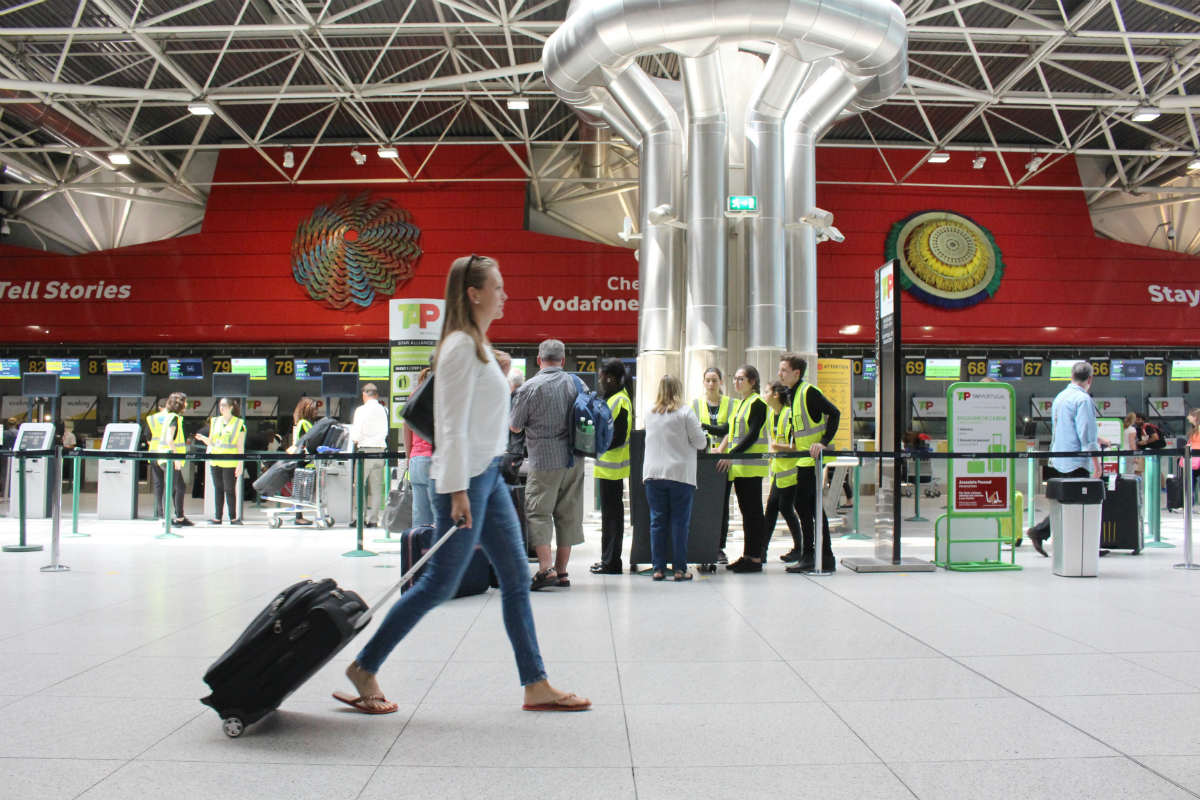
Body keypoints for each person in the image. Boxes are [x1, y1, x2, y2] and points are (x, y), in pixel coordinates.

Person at [337, 253, 589, 715]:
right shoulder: (457, 347)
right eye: (497, 286)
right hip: (465, 482)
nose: (504, 293)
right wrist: (455, 492)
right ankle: (364, 665)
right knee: (438, 584)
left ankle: (535, 683)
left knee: (515, 577)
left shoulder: (475, 347)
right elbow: (448, 426)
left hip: (487, 476)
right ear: (473, 294)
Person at [510, 339, 583, 591]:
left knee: (538, 512)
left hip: (543, 460)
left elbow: (515, 426)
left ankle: (545, 568)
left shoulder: (529, 388)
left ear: (539, 360)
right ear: (563, 360)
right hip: (575, 459)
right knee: (568, 514)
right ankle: (562, 572)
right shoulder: (577, 383)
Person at [1026, 361, 1108, 556]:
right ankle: (1045, 533)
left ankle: (1044, 532)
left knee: (1067, 501)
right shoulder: (1083, 399)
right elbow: (1085, 435)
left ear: (1071, 376)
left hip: (1060, 457)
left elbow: (1067, 428)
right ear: (1090, 379)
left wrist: (1098, 438)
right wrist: (1097, 465)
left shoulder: (1061, 397)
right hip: (1077, 460)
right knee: (1081, 504)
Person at [777, 353, 842, 573]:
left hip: (812, 461)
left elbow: (835, 413)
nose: (780, 374)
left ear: (797, 373)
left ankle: (815, 555)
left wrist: (823, 442)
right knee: (808, 508)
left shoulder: (808, 392)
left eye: (784, 370)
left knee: (807, 508)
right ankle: (819, 555)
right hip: (804, 460)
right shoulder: (793, 394)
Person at [643, 374, 708, 581]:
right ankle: (680, 569)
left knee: (657, 522)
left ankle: (658, 569)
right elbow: (701, 443)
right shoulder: (685, 413)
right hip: (680, 475)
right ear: (679, 390)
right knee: (679, 523)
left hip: (653, 475)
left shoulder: (649, 414)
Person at [716, 365, 769, 573]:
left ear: (752, 382)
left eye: (741, 379)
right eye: (735, 378)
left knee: (754, 514)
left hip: (751, 469)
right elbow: (729, 430)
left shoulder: (757, 403)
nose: (736, 382)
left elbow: (753, 435)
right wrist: (704, 426)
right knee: (747, 513)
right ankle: (748, 555)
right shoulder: (741, 404)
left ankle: (755, 558)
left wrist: (732, 454)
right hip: (740, 469)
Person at [591, 359, 633, 575]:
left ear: (610, 378)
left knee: (612, 518)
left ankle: (612, 562)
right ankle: (607, 559)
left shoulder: (619, 401)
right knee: (609, 518)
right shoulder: (614, 398)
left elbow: (617, 436)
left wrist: (595, 444)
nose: (600, 382)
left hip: (612, 468)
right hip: (608, 468)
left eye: (601, 377)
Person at [693, 367, 737, 562]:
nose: (711, 384)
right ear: (703, 382)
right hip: (702, 462)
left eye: (714, 380)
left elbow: (732, 429)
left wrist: (722, 449)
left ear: (721, 382)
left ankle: (719, 547)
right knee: (702, 505)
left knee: (721, 506)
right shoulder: (695, 404)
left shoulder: (731, 404)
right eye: (708, 380)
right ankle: (702, 544)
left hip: (722, 461)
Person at [761, 381, 804, 562]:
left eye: (766, 392)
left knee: (785, 508)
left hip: (791, 472)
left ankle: (798, 548)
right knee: (772, 509)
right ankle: (762, 550)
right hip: (779, 471)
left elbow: (797, 445)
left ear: (775, 395)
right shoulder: (772, 415)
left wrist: (777, 447)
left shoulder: (789, 414)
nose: (764, 395)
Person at [196, 397, 246, 525]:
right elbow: (212, 442)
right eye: (220, 406)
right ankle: (217, 517)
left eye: (224, 405)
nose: (221, 408)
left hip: (230, 462)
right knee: (218, 489)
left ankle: (233, 518)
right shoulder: (215, 421)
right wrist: (203, 439)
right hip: (215, 460)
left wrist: (240, 463)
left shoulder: (239, 424)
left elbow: (240, 446)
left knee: (229, 489)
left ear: (231, 407)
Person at [147, 393, 191, 526]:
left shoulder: (170, 417)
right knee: (171, 488)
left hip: (164, 457)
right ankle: (167, 519)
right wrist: (176, 457)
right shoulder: (174, 418)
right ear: (180, 404)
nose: (187, 404)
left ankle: (180, 517)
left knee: (180, 487)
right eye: (185, 402)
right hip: (169, 458)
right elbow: (169, 438)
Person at [350, 383, 389, 528]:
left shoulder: (360, 410)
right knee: (377, 487)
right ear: (377, 395)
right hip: (380, 451)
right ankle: (373, 520)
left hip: (364, 452)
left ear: (364, 395)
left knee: (359, 485)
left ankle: (358, 518)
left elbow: (356, 434)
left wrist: (356, 440)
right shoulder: (384, 410)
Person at [404, 368, 436, 528]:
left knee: (420, 514)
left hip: (416, 459)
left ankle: (420, 550)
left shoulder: (413, 396)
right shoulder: (440, 396)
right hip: (435, 459)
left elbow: (406, 427)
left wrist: (408, 456)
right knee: (440, 515)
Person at [287, 397, 320, 525]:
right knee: (300, 490)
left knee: (301, 490)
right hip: (302, 462)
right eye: (314, 408)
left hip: (304, 462)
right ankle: (298, 517)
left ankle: (299, 515)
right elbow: (305, 442)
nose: (316, 411)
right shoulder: (304, 424)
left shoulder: (305, 423)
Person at [1183, 409, 1200, 507]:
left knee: (1191, 481)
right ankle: (1190, 503)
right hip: (1193, 459)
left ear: (1195, 417)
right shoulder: (1193, 429)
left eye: (1189, 415)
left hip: (1195, 459)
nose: (1188, 418)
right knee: (1191, 481)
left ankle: (1190, 504)